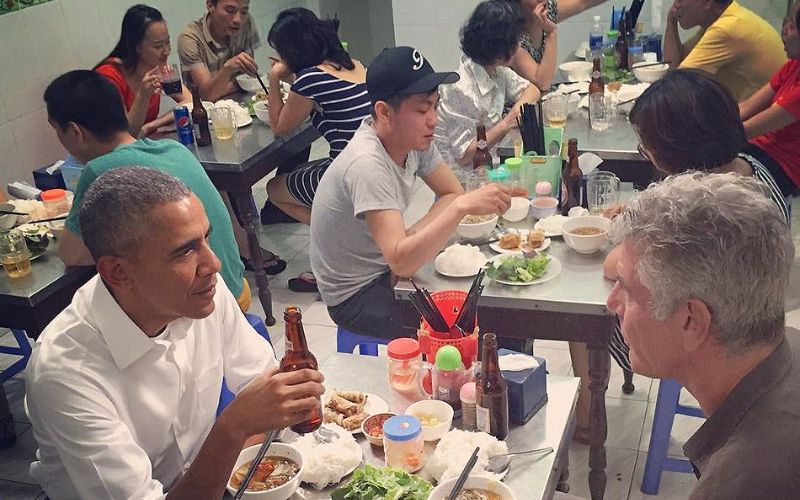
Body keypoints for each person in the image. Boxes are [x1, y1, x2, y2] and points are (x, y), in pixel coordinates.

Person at [25, 167, 325, 500]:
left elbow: (266, 391)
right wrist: (233, 427)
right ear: (119, 272)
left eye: (206, 238)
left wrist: (258, 420)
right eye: (184, 251)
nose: (213, 264)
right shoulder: (65, 374)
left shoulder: (199, 293)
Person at [606, 172, 800, 499]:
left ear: (691, 320)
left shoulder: (743, 484)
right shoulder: (790, 342)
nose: (612, 303)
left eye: (626, 288)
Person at [602, 69, 790, 390]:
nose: (647, 157)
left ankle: (589, 414)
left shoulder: (701, 209)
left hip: (711, 336)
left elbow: (613, 264)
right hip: (753, 321)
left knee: (602, 315)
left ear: (677, 150)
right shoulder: (750, 164)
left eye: (647, 149)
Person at [310, 46, 512, 340]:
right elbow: (404, 259)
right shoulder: (368, 164)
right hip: (356, 295)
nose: (433, 119)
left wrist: (411, 237)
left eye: (435, 105)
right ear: (384, 112)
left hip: (386, 268)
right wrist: (458, 210)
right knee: (469, 328)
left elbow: (450, 193)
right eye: (421, 109)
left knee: (493, 309)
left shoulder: (414, 141)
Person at [45, 70, 255, 311]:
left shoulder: (99, 171)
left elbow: (72, 255)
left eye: (57, 131)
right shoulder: (173, 149)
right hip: (237, 289)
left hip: (208, 304)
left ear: (74, 131)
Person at [264, 8, 371, 226]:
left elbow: (279, 127)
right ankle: (344, 224)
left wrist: (274, 78)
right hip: (373, 164)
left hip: (349, 175)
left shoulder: (310, 80)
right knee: (299, 170)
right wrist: (295, 78)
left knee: (274, 188)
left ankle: (336, 231)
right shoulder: (354, 64)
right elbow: (320, 95)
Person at [435, 1, 541, 169]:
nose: (519, 45)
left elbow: (533, 90)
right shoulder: (460, 88)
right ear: (498, 46)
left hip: (491, 167)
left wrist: (515, 111)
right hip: (464, 181)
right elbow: (464, 155)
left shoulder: (497, 71)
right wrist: (505, 124)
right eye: (515, 40)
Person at [95, 5, 191, 139]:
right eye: (158, 46)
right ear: (136, 46)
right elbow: (124, 135)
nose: (166, 51)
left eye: (167, 42)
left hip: (144, 142)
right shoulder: (109, 76)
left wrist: (151, 126)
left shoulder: (159, 67)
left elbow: (188, 101)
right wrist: (143, 96)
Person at [663, 0, 785, 101]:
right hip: (751, 115)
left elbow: (676, 84)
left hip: (761, 125)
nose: (675, 4)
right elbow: (673, 65)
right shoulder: (724, 19)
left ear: (707, 2)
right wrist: (671, 22)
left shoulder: (727, 28)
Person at [739, 2, 800, 198]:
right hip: (757, 148)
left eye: (791, 26)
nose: (784, 31)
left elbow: (744, 130)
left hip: (785, 167)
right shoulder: (794, 66)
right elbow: (747, 107)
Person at [178, 0, 260, 101]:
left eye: (243, 12)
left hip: (242, 102)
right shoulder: (190, 38)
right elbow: (207, 96)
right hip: (207, 111)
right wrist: (227, 69)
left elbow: (248, 77)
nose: (238, 20)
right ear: (210, 5)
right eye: (230, 10)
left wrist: (221, 87)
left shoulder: (246, 22)